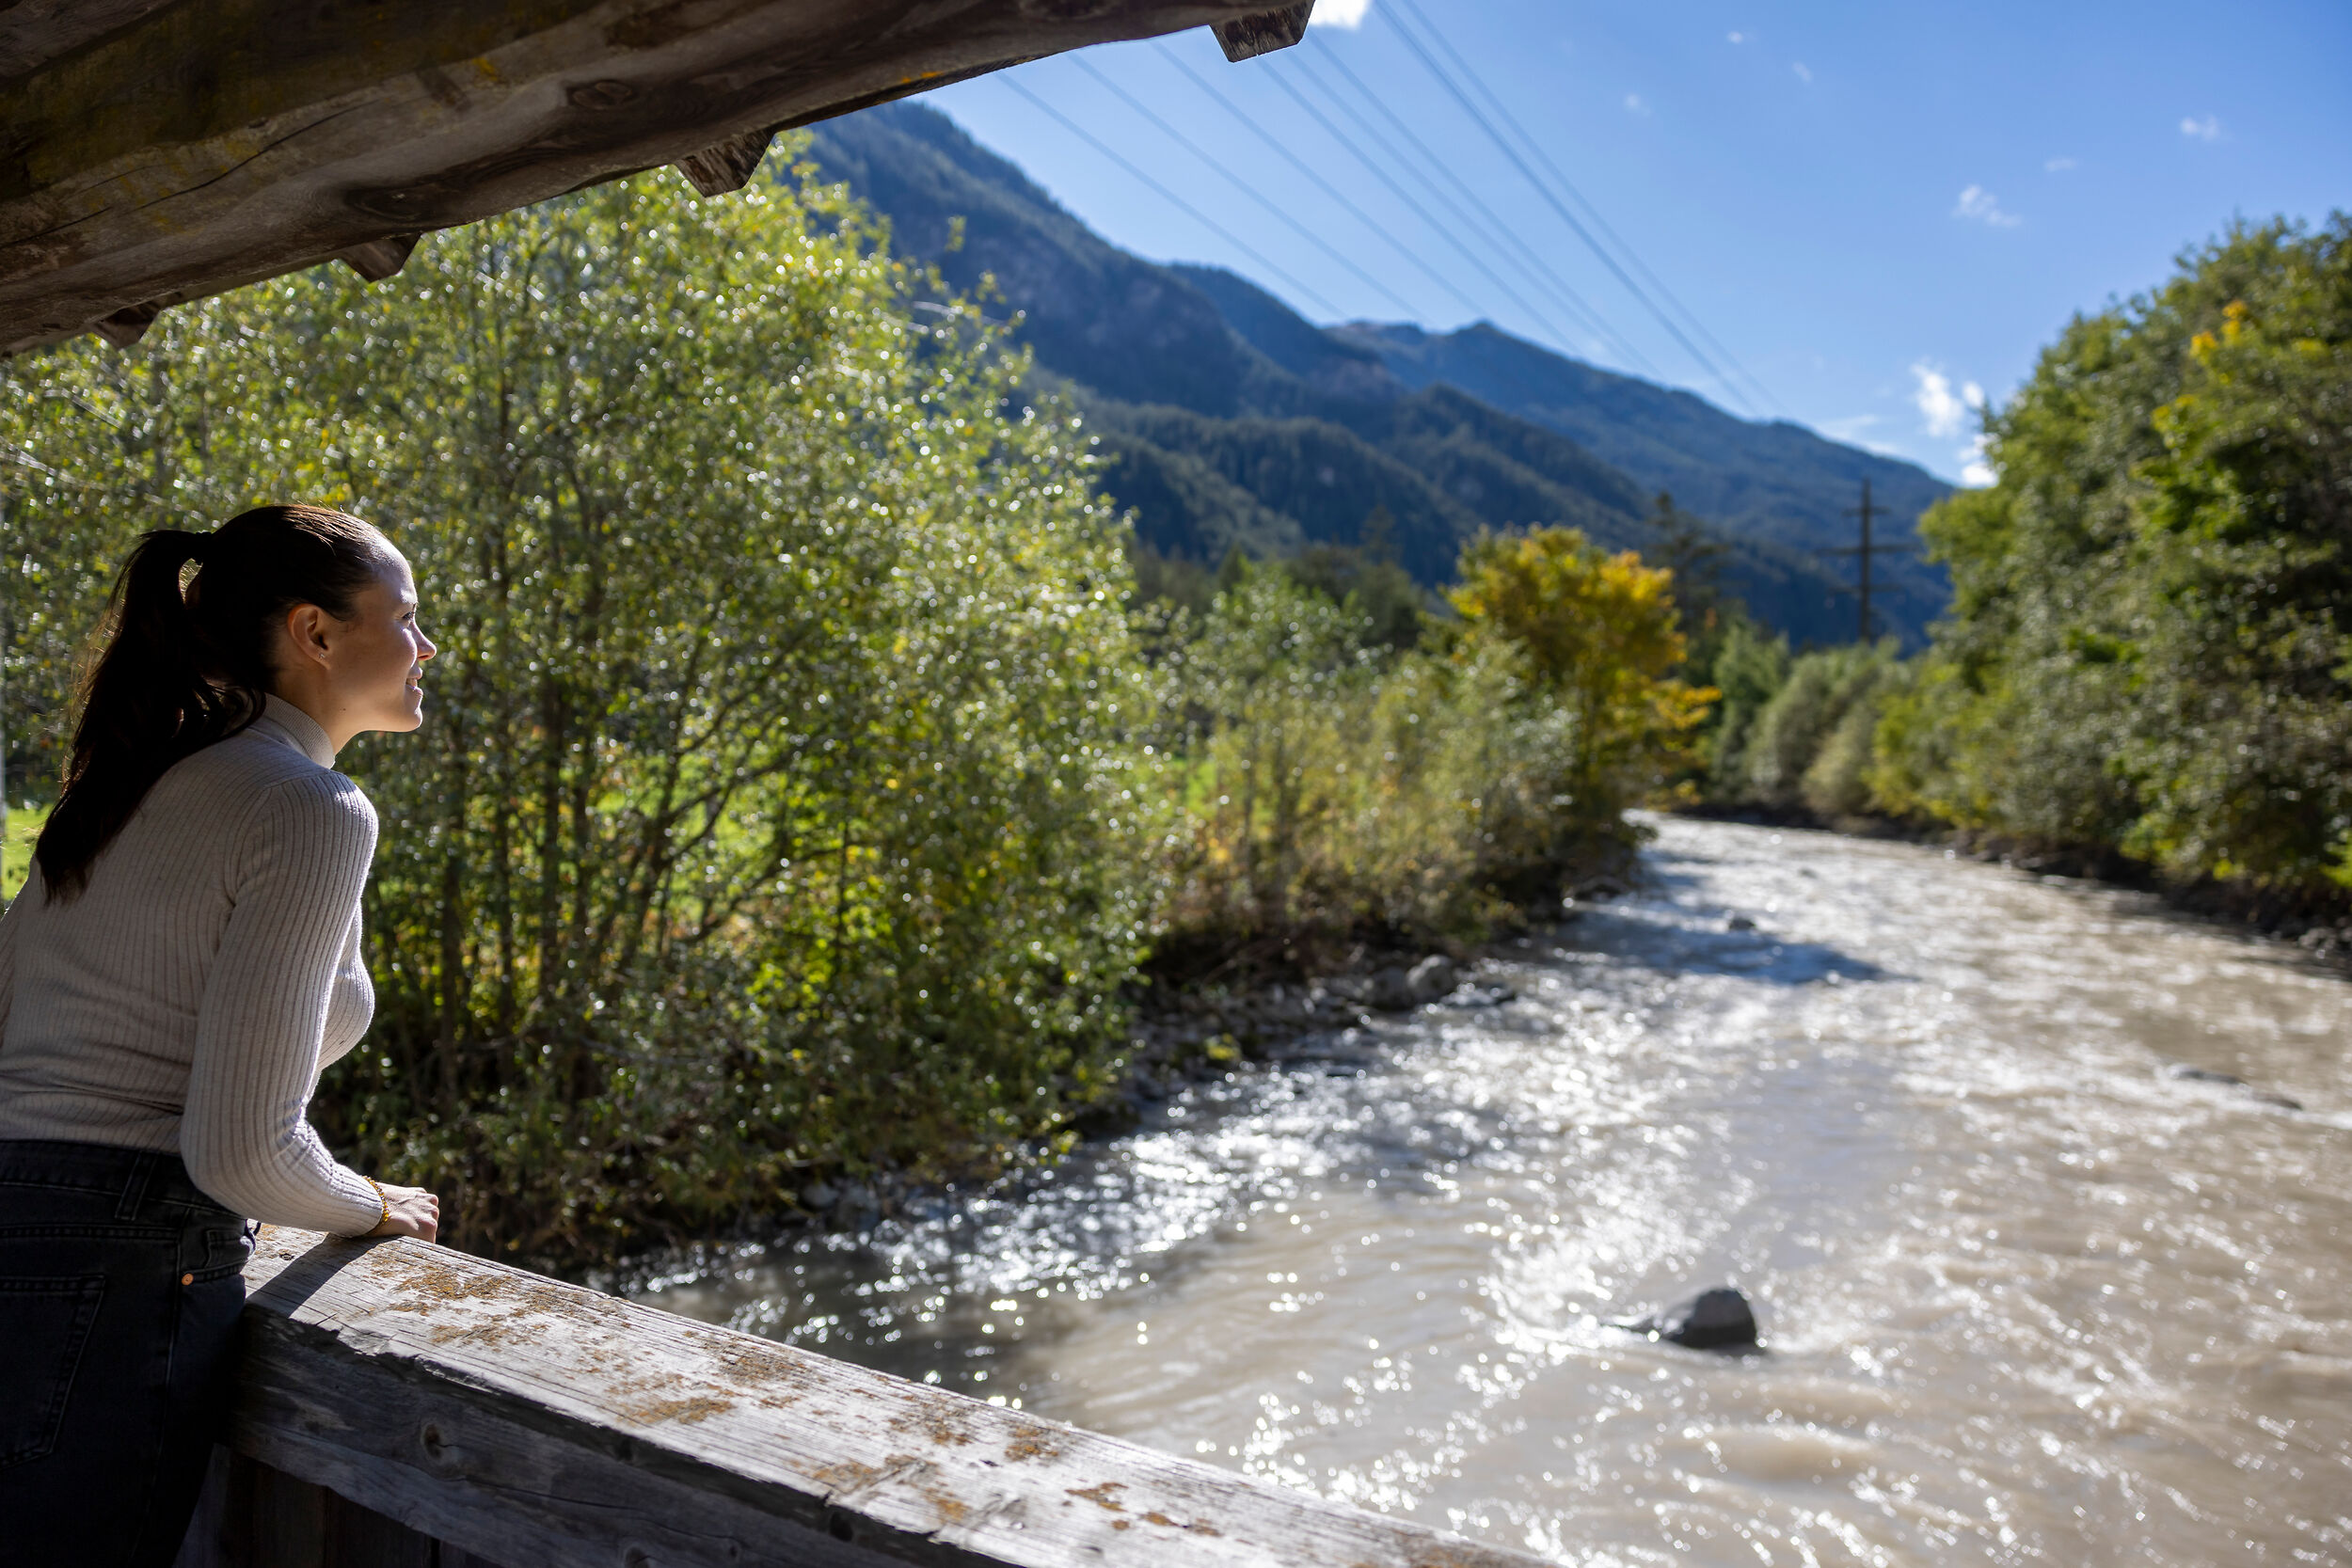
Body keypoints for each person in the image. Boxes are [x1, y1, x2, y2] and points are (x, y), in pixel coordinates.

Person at [0, 504, 442, 1566]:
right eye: (410, 618)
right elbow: (244, 1152)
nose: (428, 649)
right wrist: (375, 1203)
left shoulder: (130, 784)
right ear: (316, 633)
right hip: (124, 1251)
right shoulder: (306, 807)